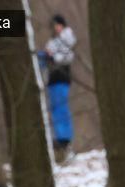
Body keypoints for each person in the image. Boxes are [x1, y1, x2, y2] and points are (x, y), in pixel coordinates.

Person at [38, 14, 76, 160]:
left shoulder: (67, 38)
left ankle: (64, 138)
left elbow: (67, 56)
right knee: (55, 109)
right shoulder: (54, 41)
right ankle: (59, 137)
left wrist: (52, 57)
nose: (56, 28)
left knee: (61, 108)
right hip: (53, 79)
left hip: (61, 78)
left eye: (57, 25)